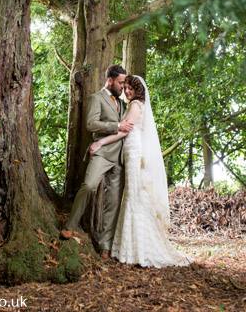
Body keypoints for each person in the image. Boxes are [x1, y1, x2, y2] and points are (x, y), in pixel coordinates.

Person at [90, 74, 191, 267]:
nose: (127, 91)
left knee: (133, 196)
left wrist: (100, 141)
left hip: (133, 151)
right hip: (130, 151)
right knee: (132, 195)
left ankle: (138, 249)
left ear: (138, 90)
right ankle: (131, 246)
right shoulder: (135, 105)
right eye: (126, 87)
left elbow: (122, 131)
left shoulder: (135, 105)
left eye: (131, 88)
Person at [60, 65, 134, 259]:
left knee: (114, 201)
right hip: (102, 153)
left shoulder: (125, 104)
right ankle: (70, 225)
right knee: (89, 186)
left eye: (124, 83)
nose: (122, 86)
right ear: (109, 80)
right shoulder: (96, 98)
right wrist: (117, 125)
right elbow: (91, 124)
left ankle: (105, 245)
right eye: (120, 82)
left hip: (120, 157)